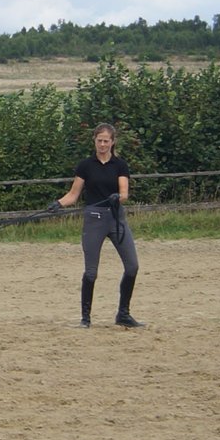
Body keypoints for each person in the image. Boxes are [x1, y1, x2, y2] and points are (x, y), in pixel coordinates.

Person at [47, 123, 143, 328]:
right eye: (99, 140)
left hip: (116, 219)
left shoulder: (120, 165)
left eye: (106, 141)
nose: (102, 144)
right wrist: (58, 203)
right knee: (91, 272)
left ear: (112, 142)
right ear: (94, 141)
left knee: (132, 266)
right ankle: (86, 318)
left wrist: (118, 196)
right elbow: (74, 194)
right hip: (94, 220)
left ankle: (123, 313)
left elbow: (124, 192)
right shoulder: (85, 166)